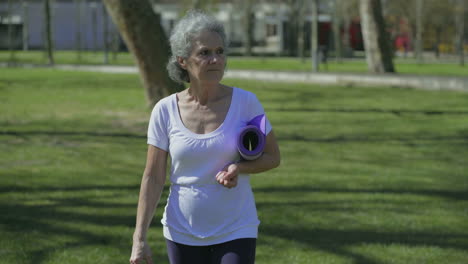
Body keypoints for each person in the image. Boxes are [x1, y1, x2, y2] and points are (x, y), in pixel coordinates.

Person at [130, 10, 280, 264]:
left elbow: (273, 156)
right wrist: (139, 238)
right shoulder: (164, 110)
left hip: (236, 228)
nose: (215, 60)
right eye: (204, 53)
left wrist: (239, 167)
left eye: (220, 51)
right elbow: (153, 177)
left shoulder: (247, 103)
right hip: (181, 231)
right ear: (182, 60)